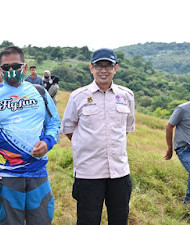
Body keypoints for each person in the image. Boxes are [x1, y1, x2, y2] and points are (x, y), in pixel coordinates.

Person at [0, 46, 60, 224]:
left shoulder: (40, 93)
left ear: (25, 67)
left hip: (37, 173)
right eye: (6, 68)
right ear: (0, 70)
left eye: (16, 66)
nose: (11, 71)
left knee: (43, 220)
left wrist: (47, 142)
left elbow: (53, 123)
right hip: (6, 177)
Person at [61, 48, 135, 225]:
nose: (103, 70)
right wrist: (88, 143)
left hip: (119, 172)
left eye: (108, 66)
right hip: (89, 172)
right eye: (99, 66)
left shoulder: (126, 96)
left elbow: (125, 129)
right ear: (91, 68)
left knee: (119, 219)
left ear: (115, 68)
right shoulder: (78, 96)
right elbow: (69, 129)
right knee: (88, 220)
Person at [164, 101, 190, 204]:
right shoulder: (182, 109)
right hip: (184, 148)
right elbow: (169, 126)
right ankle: (188, 203)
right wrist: (170, 148)